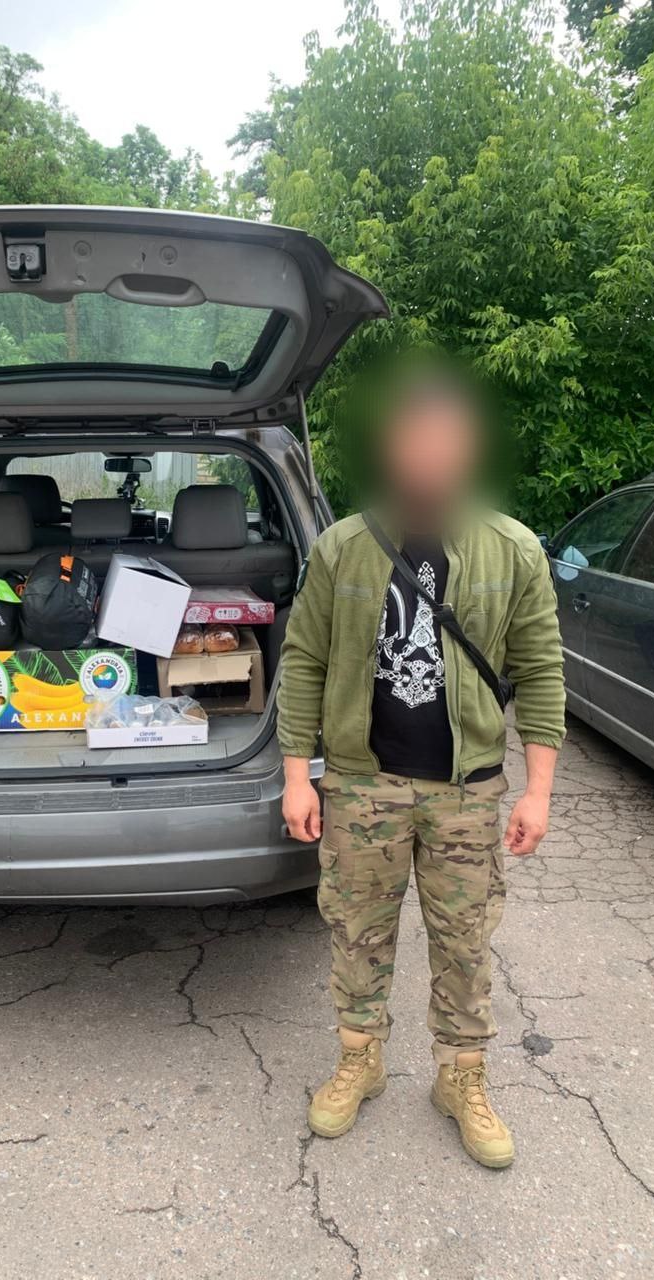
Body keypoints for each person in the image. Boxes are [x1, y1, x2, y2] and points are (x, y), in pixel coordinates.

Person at [277, 360, 565, 1169]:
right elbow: (302, 660)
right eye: (416, 440)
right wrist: (297, 775)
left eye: (446, 440)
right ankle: (359, 1059)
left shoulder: (513, 549)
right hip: (361, 783)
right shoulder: (342, 547)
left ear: (467, 448)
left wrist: (538, 792)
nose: (430, 456)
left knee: (465, 942)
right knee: (357, 931)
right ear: (394, 448)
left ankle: (461, 1077)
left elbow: (542, 670)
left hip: (466, 791)